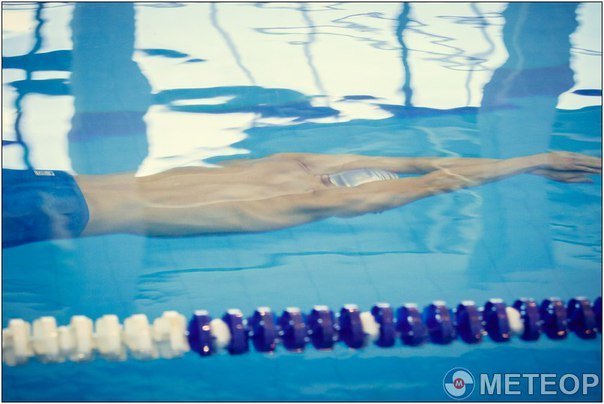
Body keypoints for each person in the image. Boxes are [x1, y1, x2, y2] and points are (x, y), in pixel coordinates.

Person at [3, 151, 601, 247]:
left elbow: (418, 165)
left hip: (53, 181)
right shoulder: (313, 202)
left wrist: (534, 157)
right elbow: (435, 181)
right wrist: (530, 163)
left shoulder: (297, 161)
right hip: (60, 215)